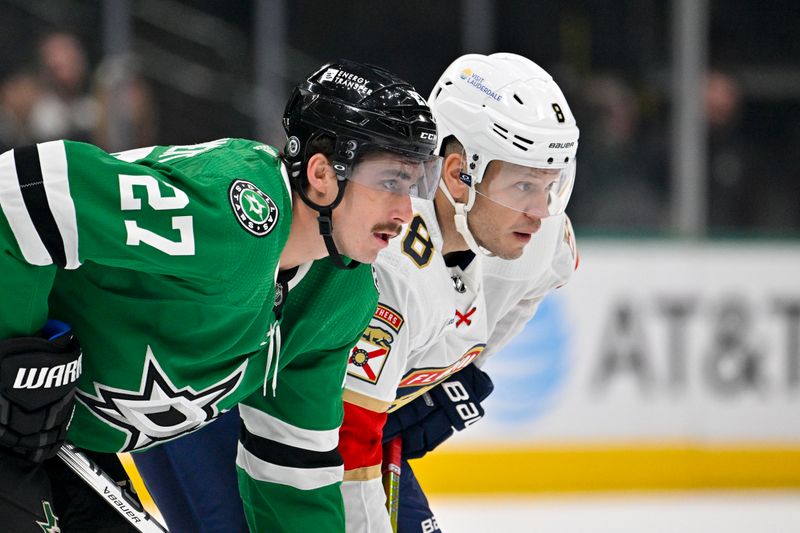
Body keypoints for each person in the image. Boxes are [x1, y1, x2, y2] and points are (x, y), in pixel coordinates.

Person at [0, 58, 440, 532]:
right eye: (390, 182)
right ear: (321, 174)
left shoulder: (340, 300)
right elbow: (19, 193)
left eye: (412, 185)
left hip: (59, 443)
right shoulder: (232, 216)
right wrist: (13, 357)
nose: (404, 211)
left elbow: (293, 469)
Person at [339, 52, 579, 532]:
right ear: (456, 173)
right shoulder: (389, 262)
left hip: (343, 433)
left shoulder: (544, 240)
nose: (540, 211)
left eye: (552, 185)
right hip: (232, 423)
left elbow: (514, 306)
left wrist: (452, 375)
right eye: (523, 184)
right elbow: (343, 440)